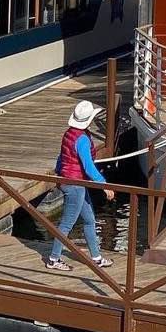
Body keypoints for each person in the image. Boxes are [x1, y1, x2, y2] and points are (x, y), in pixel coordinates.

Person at [46, 100, 115, 271]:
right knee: (67, 224)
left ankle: (96, 257)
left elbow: (62, 157)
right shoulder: (83, 139)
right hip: (75, 184)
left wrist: (58, 171)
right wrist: (104, 185)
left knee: (90, 220)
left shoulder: (69, 134)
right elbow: (88, 166)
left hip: (70, 181)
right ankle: (53, 259)